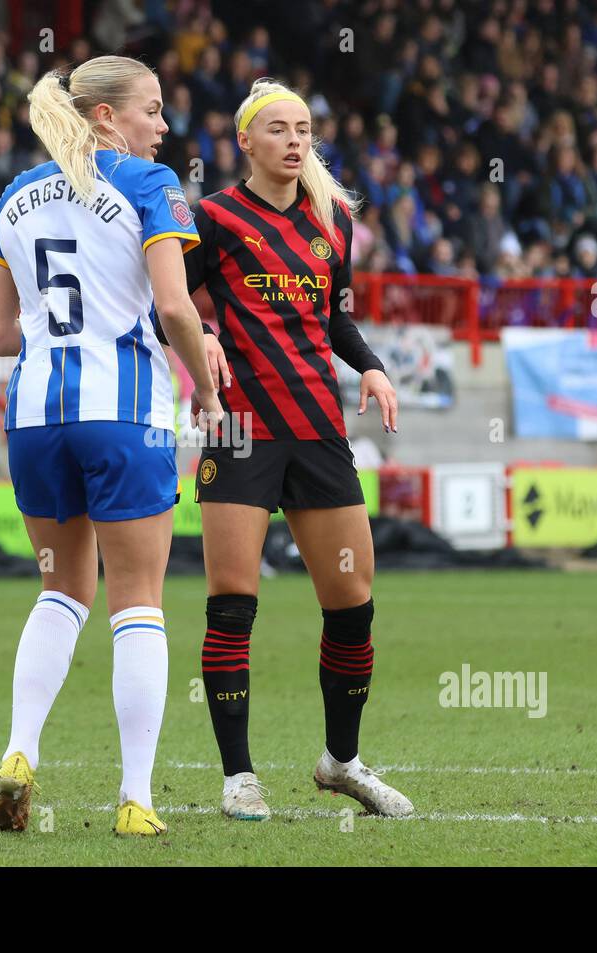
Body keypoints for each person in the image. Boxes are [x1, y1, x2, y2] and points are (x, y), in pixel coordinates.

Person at [0, 55, 220, 837]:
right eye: (152, 110)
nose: (163, 127)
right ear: (106, 116)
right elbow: (178, 308)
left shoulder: (13, 197)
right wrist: (208, 389)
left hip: (36, 417)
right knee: (138, 602)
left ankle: (19, 753)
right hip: (125, 412)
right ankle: (136, 799)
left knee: (60, 592)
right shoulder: (150, 187)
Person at [184, 78, 413, 821]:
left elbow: (336, 319)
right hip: (239, 429)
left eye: (304, 129)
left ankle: (341, 761)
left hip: (317, 428)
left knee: (351, 605)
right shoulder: (212, 218)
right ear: (246, 142)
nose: (294, 141)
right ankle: (238, 778)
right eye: (278, 129)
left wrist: (372, 366)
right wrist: (205, 339)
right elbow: (170, 305)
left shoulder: (332, 221)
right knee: (233, 605)